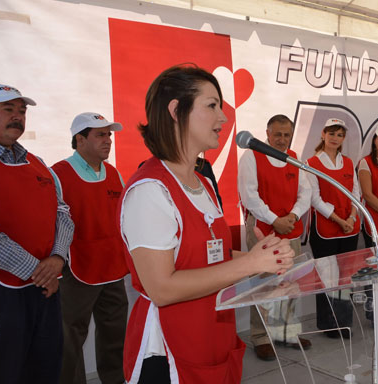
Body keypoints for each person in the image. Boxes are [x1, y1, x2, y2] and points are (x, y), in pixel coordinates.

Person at [117, 66, 294, 383]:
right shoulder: (150, 191)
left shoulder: (201, 183)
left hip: (212, 338)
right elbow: (162, 288)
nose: (224, 118)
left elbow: (211, 257)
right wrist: (250, 263)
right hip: (170, 350)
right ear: (175, 110)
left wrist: (263, 258)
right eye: (212, 105)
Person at [0, 84, 74, 383]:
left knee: (45, 367)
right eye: (8, 109)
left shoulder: (39, 164)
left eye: (22, 110)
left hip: (44, 288)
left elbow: (63, 213)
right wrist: (39, 271)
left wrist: (57, 257)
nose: (18, 116)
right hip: (2, 292)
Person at [51, 112, 128, 384]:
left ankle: (116, 380)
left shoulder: (115, 174)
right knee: (70, 338)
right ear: (79, 140)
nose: (108, 140)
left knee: (115, 334)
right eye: (100, 135)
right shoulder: (57, 174)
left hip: (113, 268)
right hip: (76, 269)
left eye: (109, 134)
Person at [238, 114, 312, 360]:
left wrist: (293, 215)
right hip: (262, 229)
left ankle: (286, 332)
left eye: (286, 135)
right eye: (277, 134)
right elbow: (250, 196)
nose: (282, 140)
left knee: (289, 283)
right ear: (267, 133)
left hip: (290, 228)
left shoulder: (294, 158)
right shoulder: (251, 156)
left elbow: (306, 191)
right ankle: (261, 337)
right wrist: (274, 220)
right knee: (262, 284)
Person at [306, 118, 361, 338]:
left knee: (345, 276)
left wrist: (352, 216)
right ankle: (329, 324)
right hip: (326, 229)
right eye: (332, 133)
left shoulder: (348, 163)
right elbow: (315, 199)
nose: (335, 138)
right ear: (323, 134)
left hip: (349, 226)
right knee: (327, 277)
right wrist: (339, 219)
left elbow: (355, 193)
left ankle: (344, 321)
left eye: (339, 135)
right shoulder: (312, 163)